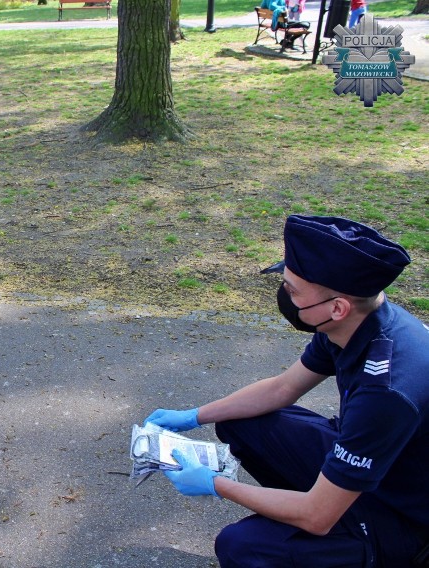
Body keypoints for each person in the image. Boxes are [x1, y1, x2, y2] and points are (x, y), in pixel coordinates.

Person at [144, 215, 428, 567]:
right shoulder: (354, 324)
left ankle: (351, 546)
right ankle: (315, 519)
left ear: (336, 308)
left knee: (242, 546)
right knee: (240, 422)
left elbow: (316, 516)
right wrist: (193, 416)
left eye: (293, 289)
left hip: (404, 516)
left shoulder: (384, 393)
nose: (284, 294)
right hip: (377, 469)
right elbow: (283, 387)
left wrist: (216, 485)